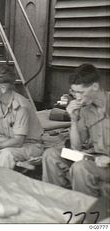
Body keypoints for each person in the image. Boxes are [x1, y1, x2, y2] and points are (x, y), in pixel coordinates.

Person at [42, 64, 110, 198]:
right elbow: (75, 147)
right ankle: (57, 204)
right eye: (74, 92)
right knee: (51, 155)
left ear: (95, 87)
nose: (77, 97)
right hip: (95, 159)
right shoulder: (86, 109)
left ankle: (85, 215)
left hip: (107, 163)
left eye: (81, 92)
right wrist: (73, 119)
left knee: (81, 167)